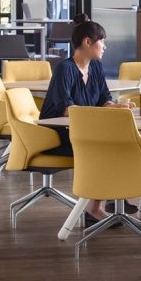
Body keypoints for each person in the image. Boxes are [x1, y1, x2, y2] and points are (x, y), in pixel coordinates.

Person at [39, 14, 133, 225]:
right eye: (102, 41)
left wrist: (115, 106)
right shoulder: (65, 69)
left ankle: (112, 197)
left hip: (86, 130)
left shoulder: (96, 67)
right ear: (88, 42)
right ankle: (96, 206)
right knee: (104, 148)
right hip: (58, 134)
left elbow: (103, 99)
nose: (105, 47)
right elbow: (67, 110)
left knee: (119, 144)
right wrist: (104, 112)